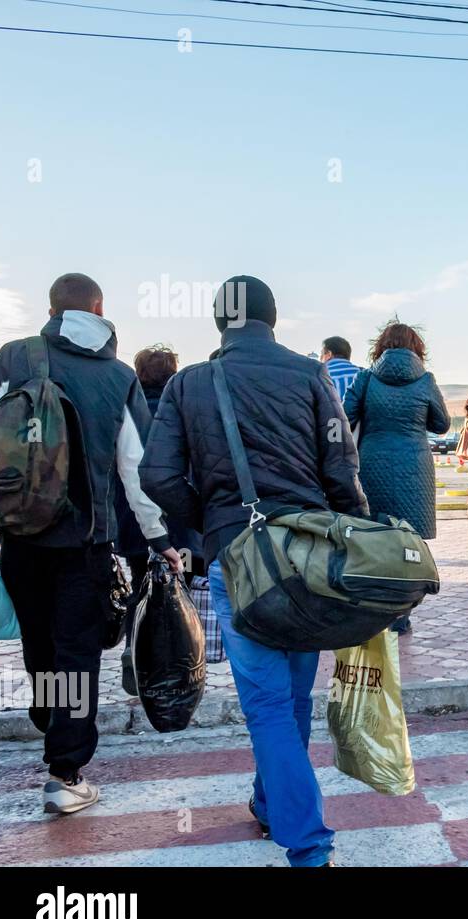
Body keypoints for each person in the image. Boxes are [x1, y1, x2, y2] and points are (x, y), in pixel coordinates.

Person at [141, 275, 367, 867]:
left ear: (219, 322)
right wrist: (355, 536)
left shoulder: (190, 383)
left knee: (268, 702)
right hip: (309, 556)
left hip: (238, 558)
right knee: (292, 695)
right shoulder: (310, 374)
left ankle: (309, 847)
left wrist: (212, 527)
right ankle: (274, 806)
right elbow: (341, 467)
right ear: (274, 317)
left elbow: (157, 475)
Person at [0, 273, 181, 816]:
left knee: (42, 649)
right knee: (76, 651)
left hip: (21, 534)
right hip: (86, 541)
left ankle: (53, 721)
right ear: (98, 308)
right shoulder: (117, 376)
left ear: (51, 308)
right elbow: (136, 468)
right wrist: (159, 537)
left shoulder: (13, 356)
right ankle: (64, 771)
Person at [343, 320, 449, 632]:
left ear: (380, 347)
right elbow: (442, 424)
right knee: (408, 539)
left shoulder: (366, 378)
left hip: (373, 461)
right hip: (414, 466)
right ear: (418, 349)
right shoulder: (426, 380)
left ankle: (373, 609)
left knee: (376, 537)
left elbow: (344, 417)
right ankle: (401, 614)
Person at [114, 346, 202, 592]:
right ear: (173, 374)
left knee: (143, 587)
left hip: (134, 528)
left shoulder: (125, 414)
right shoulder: (185, 413)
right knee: (186, 591)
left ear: (138, 374)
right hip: (184, 531)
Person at [320, 336, 362, 401]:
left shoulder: (319, 375)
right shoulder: (363, 374)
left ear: (329, 354)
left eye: (321, 354)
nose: (320, 358)